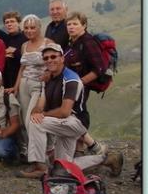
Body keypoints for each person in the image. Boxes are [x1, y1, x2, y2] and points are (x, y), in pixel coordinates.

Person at [19, 44, 122, 178]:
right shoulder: (48, 79)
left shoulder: (71, 79)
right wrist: (36, 111)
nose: (49, 60)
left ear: (62, 58)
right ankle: (108, 159)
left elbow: (65, 112)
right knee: (61, 167)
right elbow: (41, 103)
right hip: (63, 123)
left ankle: (40, 166)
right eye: (46, 58)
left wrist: (41, 114)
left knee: (36, 122)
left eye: (53, 56)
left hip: (75, 122)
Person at [10, 14, 51, 153]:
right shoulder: (24, 45)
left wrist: (48, 73)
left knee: (32, 119)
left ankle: (43, 151)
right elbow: (22, 67)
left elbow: (56, 62)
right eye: (26, 28)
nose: (29, 30)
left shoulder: (48, 43)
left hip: (38, 85)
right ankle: (30, 151)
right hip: (24, 84)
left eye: (32, 28)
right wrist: (16, 87)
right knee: (23, 119)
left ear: (39, 27)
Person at [63, 11, 107, 129]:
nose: (71, 27)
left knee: (79, 112)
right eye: (69, 24)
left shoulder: (88, 42)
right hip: (70, 85)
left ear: (84, 25)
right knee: (72, 113)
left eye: (75, 24)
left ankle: (83, 138)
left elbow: (100, 68)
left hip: (80, 86)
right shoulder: (72, 43)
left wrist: (80, 82)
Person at [0, 11, 26, 90]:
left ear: (19, 23)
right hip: (7, 80)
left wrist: (15, 52)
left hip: (22, 78)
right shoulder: (5, 39)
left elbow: (28, 59)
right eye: (7, 22)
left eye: (12, 21)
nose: (9, 24)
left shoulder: (25, 38)